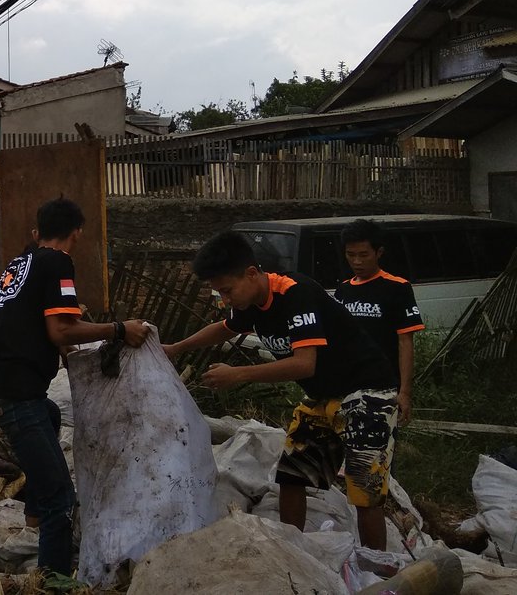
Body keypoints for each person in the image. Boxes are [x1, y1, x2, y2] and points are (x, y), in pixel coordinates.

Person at [163, 230, 399, 550]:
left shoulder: (296, 293)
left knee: (364, 490)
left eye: (227, 291)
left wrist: (239, 374)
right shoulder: (251, 302)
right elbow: (224, 328)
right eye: (220, 294)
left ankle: (379, 572)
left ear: (250, 273)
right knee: (292, 476)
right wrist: (177, 348)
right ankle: (291, 553)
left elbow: (305, 364)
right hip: (325, 396)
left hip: (368, 391)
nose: (226, 300)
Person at [0, 197, 151, 575]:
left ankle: (33, 515)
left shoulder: (23, 261)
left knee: (50, 414)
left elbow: (45, 327)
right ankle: (53, 582)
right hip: (13, 392)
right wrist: (119, 329)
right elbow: (61, 329)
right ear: (77, 231)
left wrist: (73, 359)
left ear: (40, 229)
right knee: (62, 499)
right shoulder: (58, 262)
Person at [334, 219, 425, 425]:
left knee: (378, 449)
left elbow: (405, 342)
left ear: (379, 252)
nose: (357, 261)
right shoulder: (343, 290)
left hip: (384, 386)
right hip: (348, 385)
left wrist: (405, 392)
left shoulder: (397, 288)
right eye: (351, 255)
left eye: (364, 255)